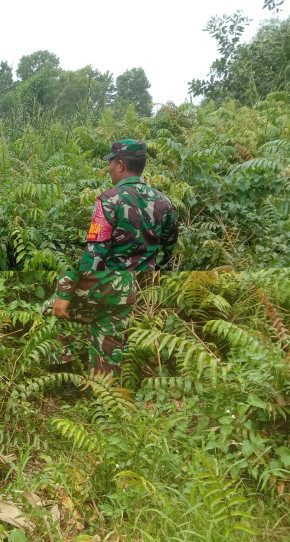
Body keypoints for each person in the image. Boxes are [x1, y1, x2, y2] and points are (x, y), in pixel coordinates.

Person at [49, 139, 179, 375]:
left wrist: (65, 293)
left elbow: (95, 253)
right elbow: (169, 243)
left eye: (110, 163)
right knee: (109, 345)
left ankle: (61, 372)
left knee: (51, 308)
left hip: (103, 283)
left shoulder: (110, 199)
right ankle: (103, 397)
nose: (109, 168)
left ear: (120, 164)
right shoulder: (164, 201)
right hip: (128, 290)